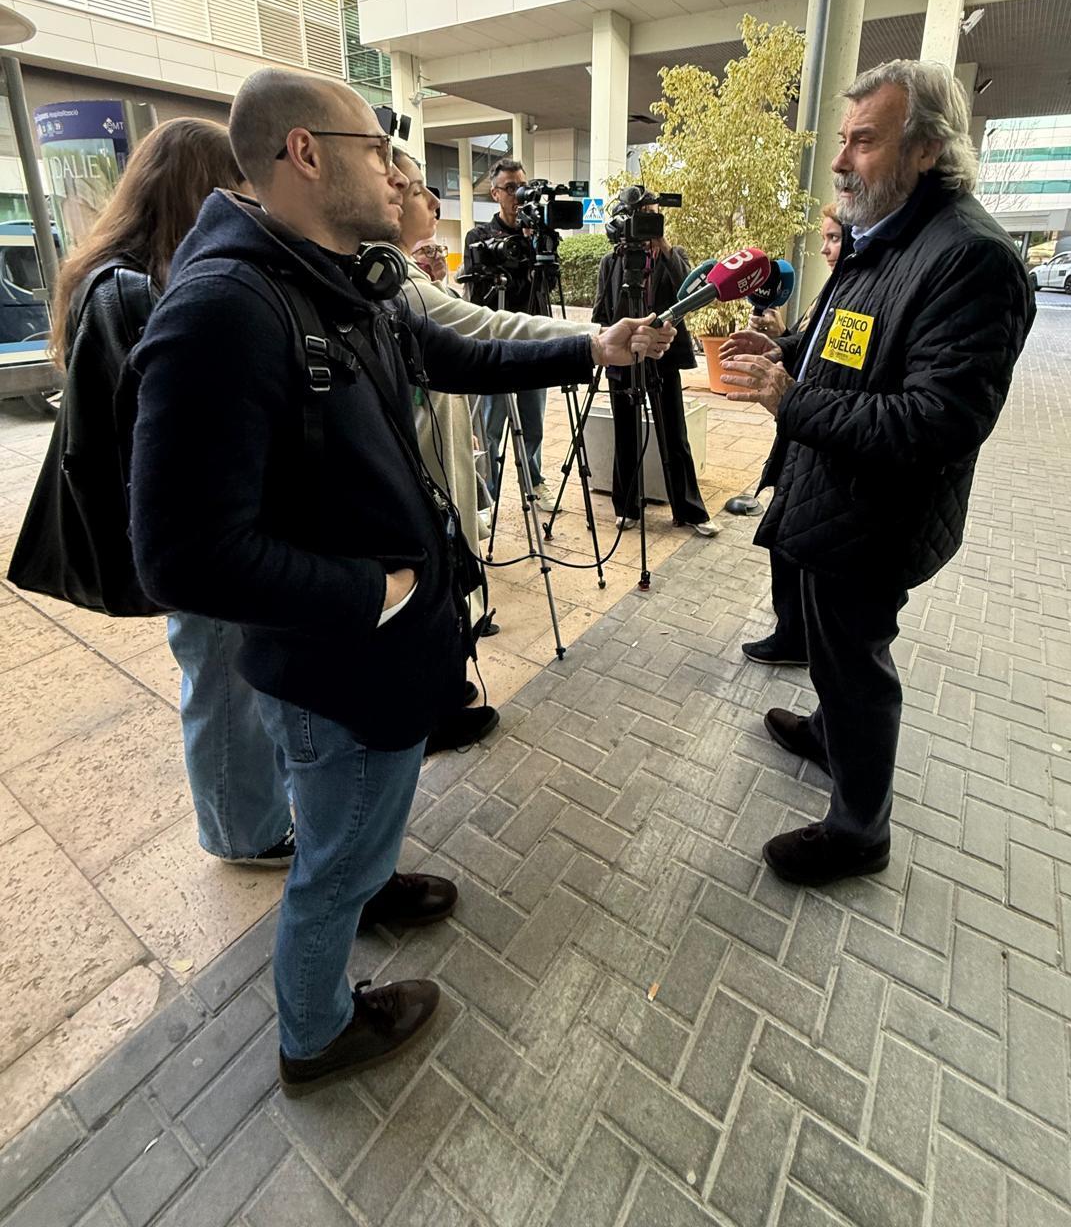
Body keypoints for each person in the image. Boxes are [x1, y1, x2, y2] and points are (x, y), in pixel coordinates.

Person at [128, 69, 674, 1094]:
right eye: (377, 146)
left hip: (382, 654)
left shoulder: (337, 270)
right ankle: (316, 1031)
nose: (396, 168)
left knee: (357, 820)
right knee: (328, 858)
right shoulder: (224, 309)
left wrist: (590, 344)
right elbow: (179, 555)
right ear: (305, 152)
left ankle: (366, 882)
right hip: (337, 659)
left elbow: (445, 351)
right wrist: (364, 595)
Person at [721, 59, 1034, 888]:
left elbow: (938, 422)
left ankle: (861, 830)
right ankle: (830, 733)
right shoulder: (885, 235)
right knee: (831, 652)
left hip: (879, 515)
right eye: (844, 140)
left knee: (857, 664)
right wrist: (783, 352)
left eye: (864, 141)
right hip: (834, 498)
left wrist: (790, 401)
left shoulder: (972, 259)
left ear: (926, 148)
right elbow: (842, 346)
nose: (841, 161)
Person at [45, 119, 293, 868]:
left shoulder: (106, 274)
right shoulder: (137, 290)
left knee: (223, 674)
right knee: (220, 679)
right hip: (189, 523)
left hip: (181, 518)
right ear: (202, 189)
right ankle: (241, 833)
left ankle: (248, 811)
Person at [390, 157, 597, 749]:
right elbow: (483, 333)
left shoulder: (407, 275)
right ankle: (436, 700)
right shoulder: (402, 280)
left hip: (447, 450)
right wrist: (591, 340)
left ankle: (446, 679)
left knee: (450, 563)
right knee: (435, 575)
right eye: (408, 188)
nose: (425, 201)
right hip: (425, 466)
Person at [592, 234, 717, 536]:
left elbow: (689, 294)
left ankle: (690, 510)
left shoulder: (673, 255)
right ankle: (627, 508)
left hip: (663, 354)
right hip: (623, 356)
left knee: (674, 432)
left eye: (653, 216)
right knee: (626, 432)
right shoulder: (612, 261)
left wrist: (666, 249)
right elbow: (599, 310)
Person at [462, 157, 552, 508]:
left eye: (523, 187)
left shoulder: (540, 236)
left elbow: (549, 284)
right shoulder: (479, 237)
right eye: (510, 188)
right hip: (497, 344)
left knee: (533, 423)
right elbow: (477, 295)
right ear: (495, 193)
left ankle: (535, 482)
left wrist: (534, 244)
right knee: (491, 426)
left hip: (534, 342)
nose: (518, 195)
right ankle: (489, 495)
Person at [750, 204, 843, 341]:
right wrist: (780, 336)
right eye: (824, 239)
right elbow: (803, 347)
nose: (823, 250)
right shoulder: (829, 289)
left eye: (834, 238)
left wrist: (782, 334)